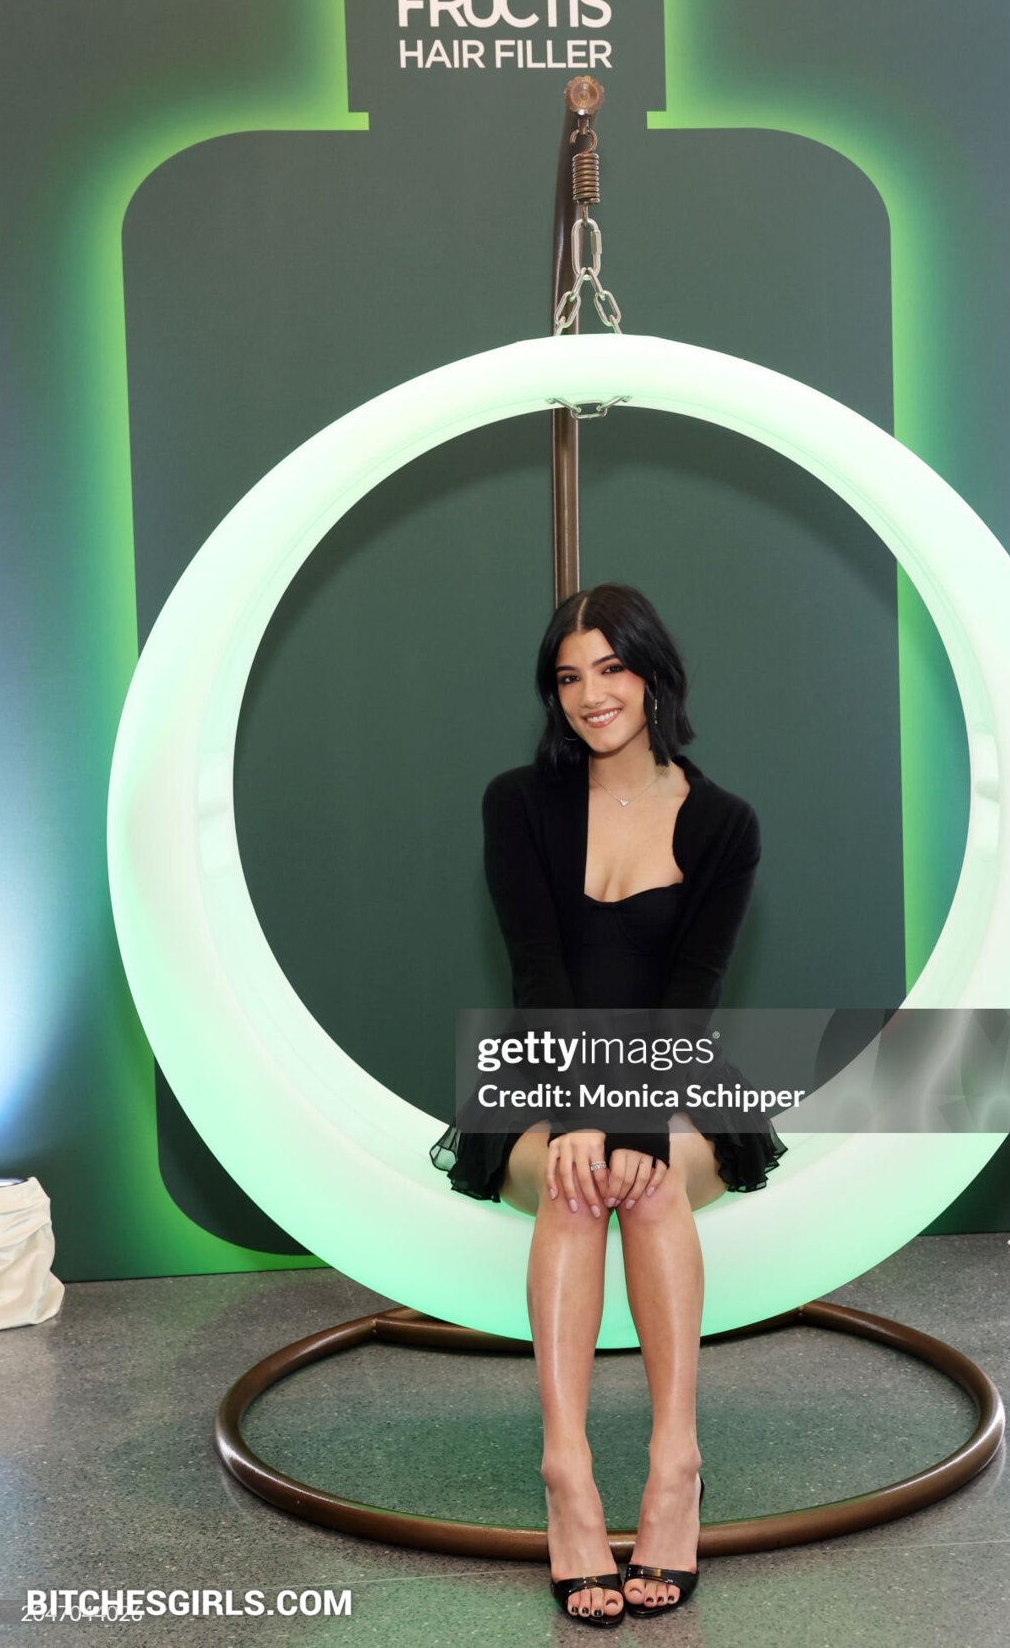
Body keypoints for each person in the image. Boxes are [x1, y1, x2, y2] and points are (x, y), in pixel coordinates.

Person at [431, 584, 786, 1623]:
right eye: (569, 676)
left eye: (612, 668)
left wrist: (632, 1119)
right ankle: (567, 1471)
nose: (592, 694)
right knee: (577, 1187)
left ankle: (675, 1464)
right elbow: (537, 972)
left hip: (677, 1077)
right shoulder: (516, 802)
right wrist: (588, 1111)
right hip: (544, 1076)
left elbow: (692, 993)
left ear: (654, 675)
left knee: (653, 1180)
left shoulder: (724, 823)